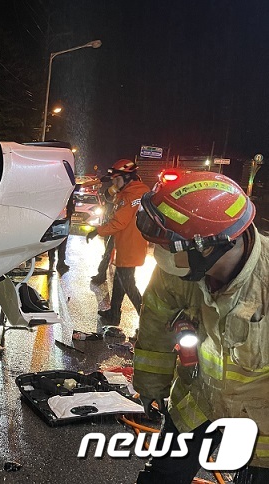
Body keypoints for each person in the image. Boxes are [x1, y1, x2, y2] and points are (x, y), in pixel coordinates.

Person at [133, 170, 268, 483]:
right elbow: (154, 328)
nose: (160, 255)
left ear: (209, 247)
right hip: (197, 401)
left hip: (261, 420)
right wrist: (151, 387)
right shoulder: (178, 273)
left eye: (169, 246)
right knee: (163, 477)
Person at [86, 159, 149, 325]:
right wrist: (115, 188)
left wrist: (97, 231)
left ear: (127, 178)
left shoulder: (132, 195)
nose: (114, 182)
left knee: (129, 285)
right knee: (121, 282)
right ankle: (114, 314)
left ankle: (148, 322)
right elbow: (110, 199)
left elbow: (119, 222)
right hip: (127, 244)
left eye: (116, 179)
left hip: (131, 246)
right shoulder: (130, 192)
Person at [90, 181, 119, 284]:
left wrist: (98, 231)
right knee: (107, 252)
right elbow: (107, 196)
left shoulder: (129, 196)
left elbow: (119, 221)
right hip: (115, 230)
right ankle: (101, 275)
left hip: (122, 232)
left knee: (126, 276)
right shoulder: (120, 193)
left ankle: (102, 276)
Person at [48, 183, 79, 274]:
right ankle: (58, 262)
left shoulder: (60, 190)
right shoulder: (66, 190)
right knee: (60, 240)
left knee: (56, 240)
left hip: (59, 217)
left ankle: (55, 262)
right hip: (62, 218)